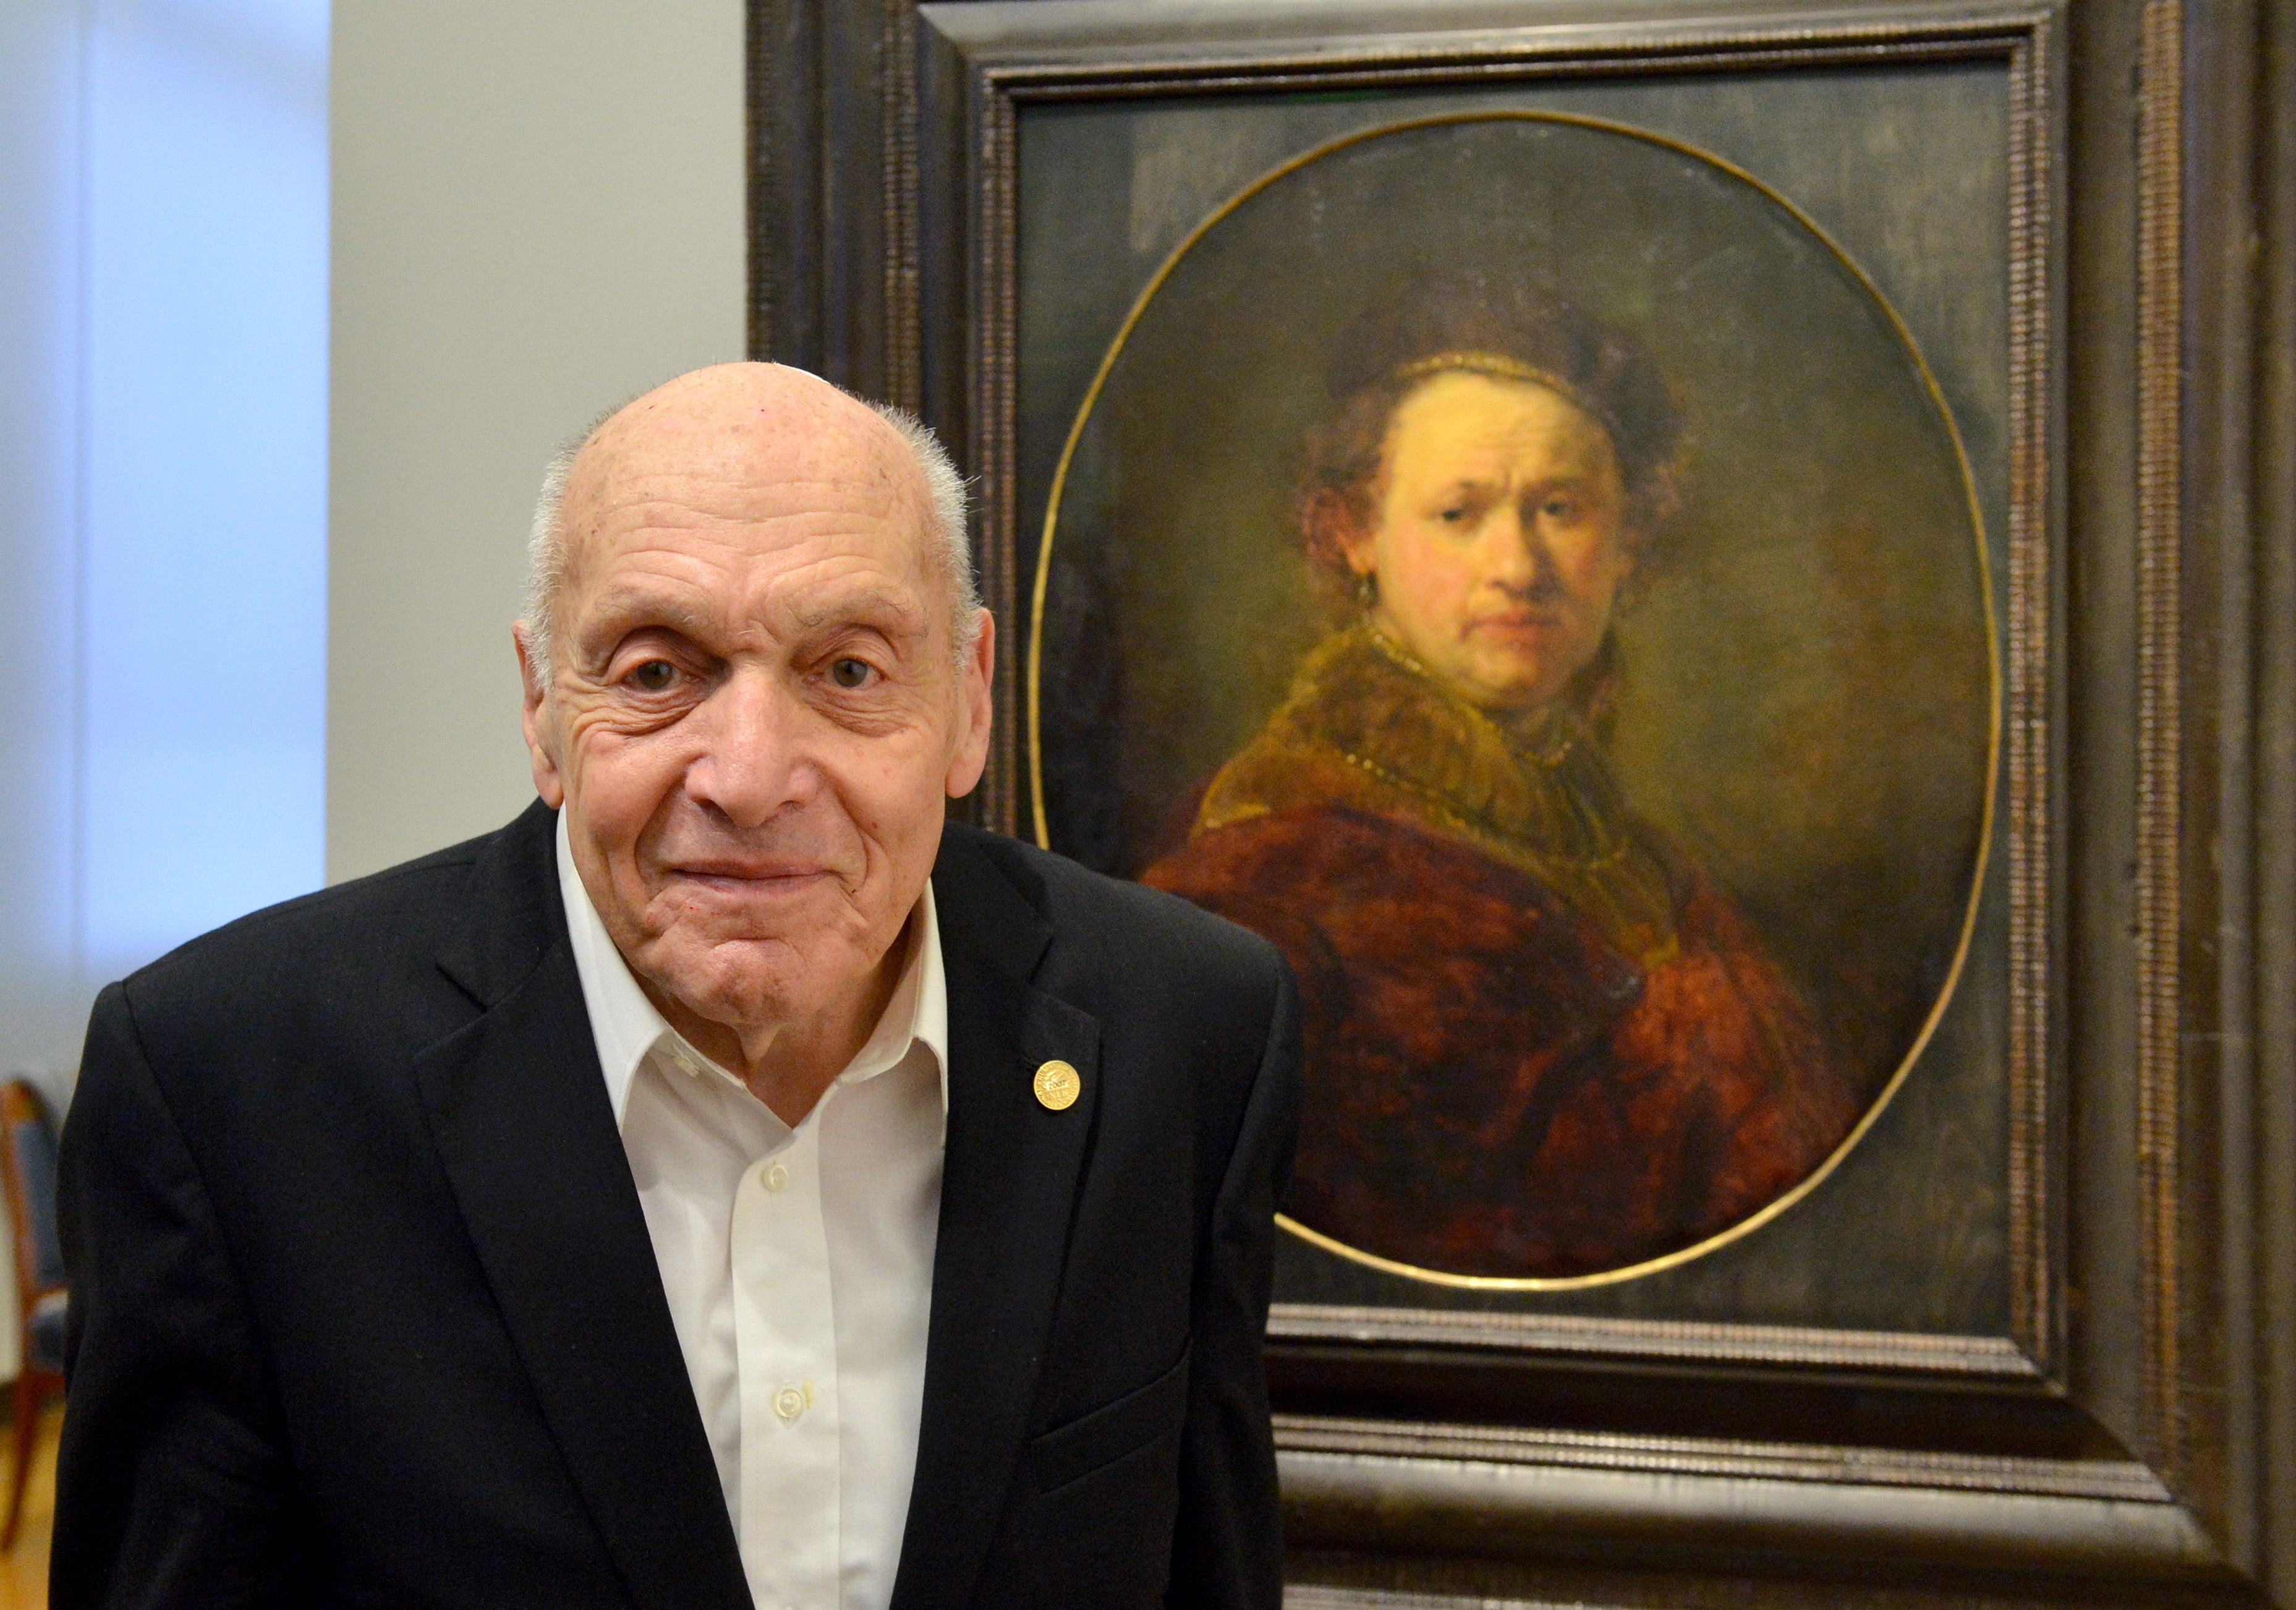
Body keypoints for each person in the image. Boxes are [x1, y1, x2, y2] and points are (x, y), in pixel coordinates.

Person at [54, 364, 1301, 1608]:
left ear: (969, 700)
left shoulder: (1182, 1035)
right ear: (543, 706)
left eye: (850, 671)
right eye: (658, 672)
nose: (750, 779)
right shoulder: (230, 1091)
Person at [1143, 278, 1858, 1281]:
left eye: (1560, 509)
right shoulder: (1263, 871)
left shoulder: (1635, 858)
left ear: (1628, 543)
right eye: (1458, 512)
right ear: (1350, 536)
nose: (1517, 564)